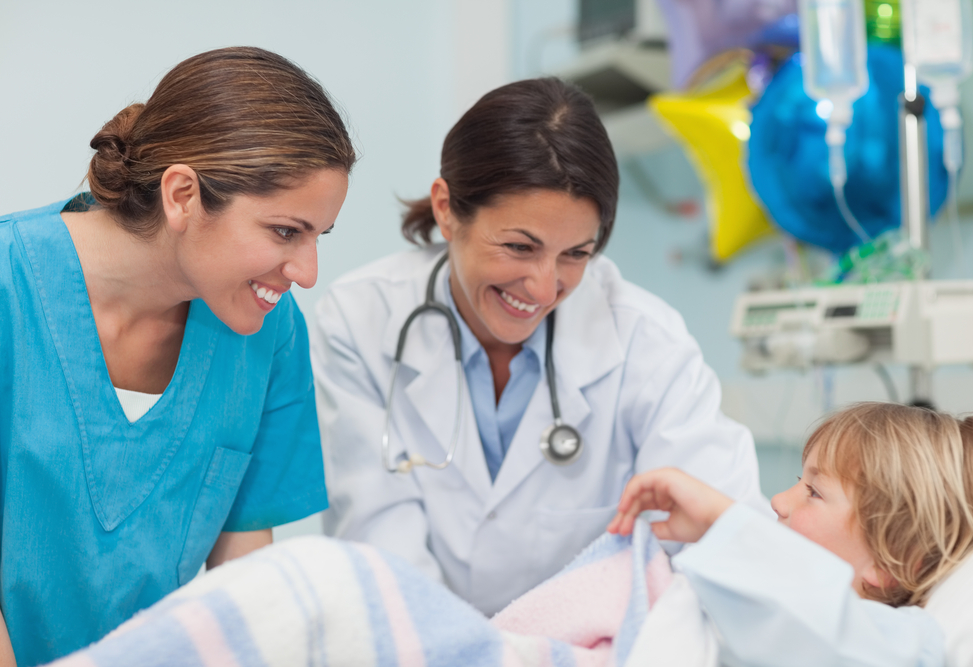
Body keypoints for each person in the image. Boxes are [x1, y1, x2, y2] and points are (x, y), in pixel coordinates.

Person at [311, 77, 766, 616]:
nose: (544, 286)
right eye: (519, 247)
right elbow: (381, 547)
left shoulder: (646, 340)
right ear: (446, 209)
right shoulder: (360, 320)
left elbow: (723, 537)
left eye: (576, 253)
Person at [0, 47, 354, 665]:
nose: (306, 272)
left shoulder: (269, 333)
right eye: (285, 231)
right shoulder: (11, 289)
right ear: (183, 195)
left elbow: (243, 589)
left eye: (318, 236)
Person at [609, 402, 973, 666]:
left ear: (891, 558)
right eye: (800, 481)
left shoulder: (898, 644)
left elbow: (831, 629)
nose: (778, 500)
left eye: (814, 492)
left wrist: (722, 519)